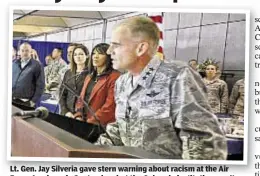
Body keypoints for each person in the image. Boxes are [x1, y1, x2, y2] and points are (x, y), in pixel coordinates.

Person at [95, 17, 227, 160]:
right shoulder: (122, 82)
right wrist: (89, 152)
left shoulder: (177, 76)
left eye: (116, 45)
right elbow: (122, 129)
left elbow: (202, 142)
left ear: (141, 48)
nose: (109, 51)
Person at [74, 43, 120, 126]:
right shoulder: (89, 76)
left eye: (100, 53)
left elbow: (110, 106)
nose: (95, 56)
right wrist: (78, 116)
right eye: (94, 53)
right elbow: (81, 98)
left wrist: (91, 121)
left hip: (101, 125)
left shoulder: (114, 77)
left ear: (109, 57)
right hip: (83, 122)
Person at [59, 44, 89, 117]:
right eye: (75, 55)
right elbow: (62, 93)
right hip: (67, 113)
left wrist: (79, 114)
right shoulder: (68, 73)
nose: (78, 57)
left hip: (82, 115)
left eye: (81, 54)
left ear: (87, 56)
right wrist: (65, 111)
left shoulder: (90, 73)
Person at [12, 42, 45, 107]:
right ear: (19, 52)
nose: (24, 53)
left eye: (27, 50)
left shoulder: (37, 65)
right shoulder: (14, 64)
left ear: (31, 51)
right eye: (22, 50)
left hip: (26, 102)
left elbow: (40, 85)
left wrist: (33, 101)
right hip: (12, 100)